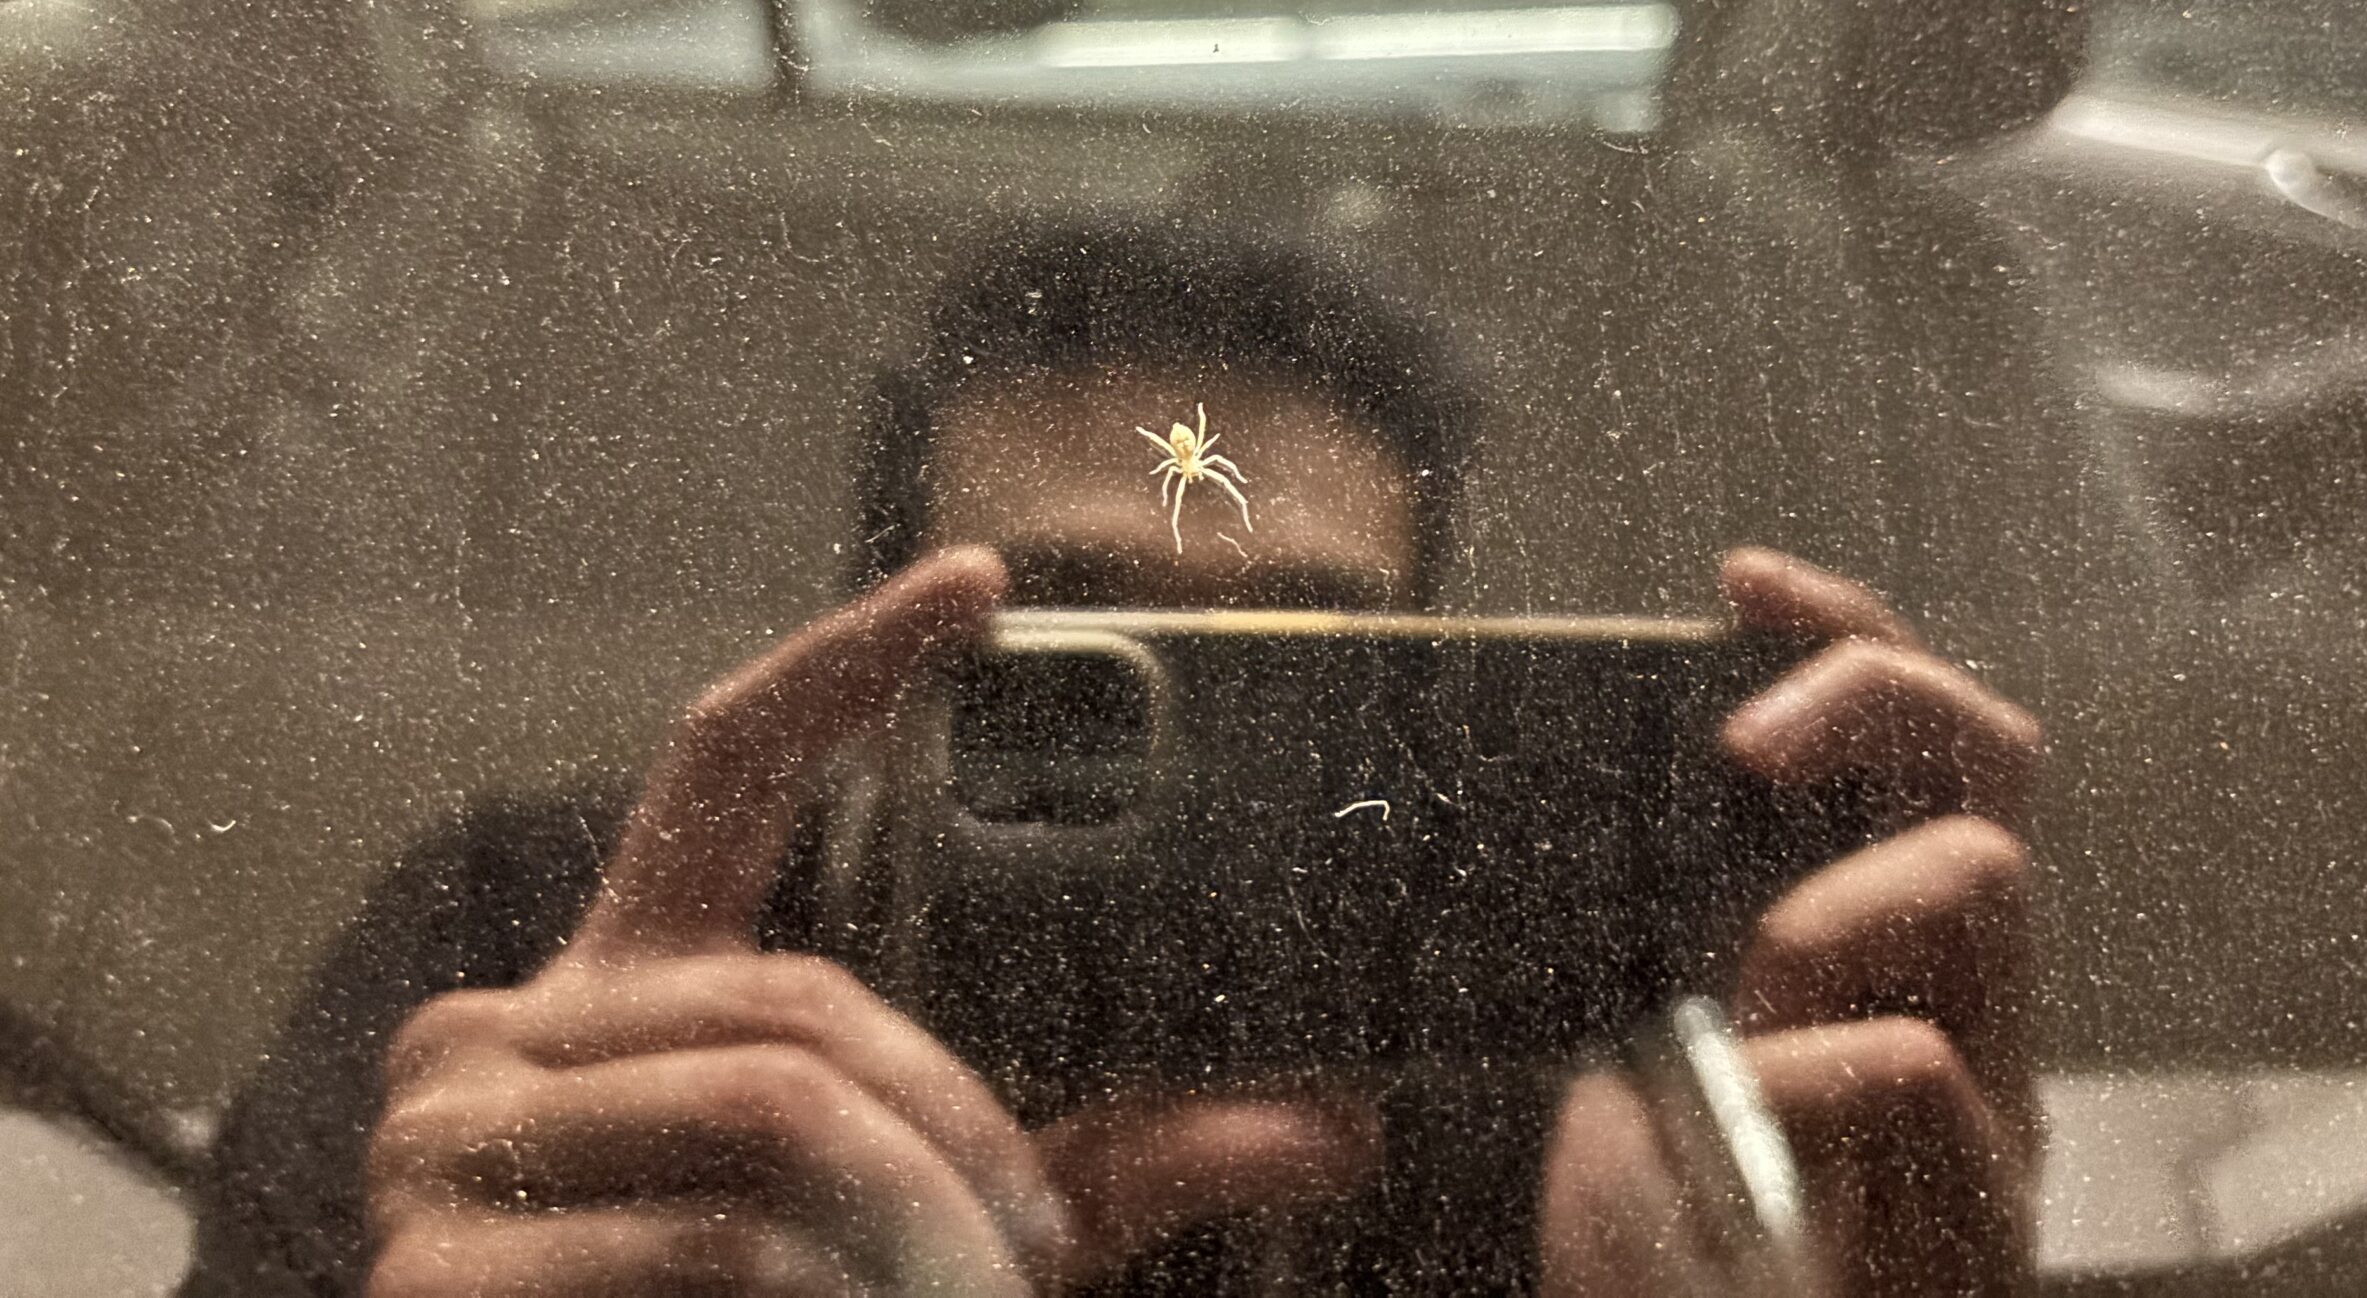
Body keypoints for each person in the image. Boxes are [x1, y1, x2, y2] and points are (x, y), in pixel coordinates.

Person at [182, 224, 2043, 1296]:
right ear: (877, 648)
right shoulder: (544, 934)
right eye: (1070, 644)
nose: (1210, 713)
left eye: (1303, 657)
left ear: (1417, 682)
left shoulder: (1538, 1077)